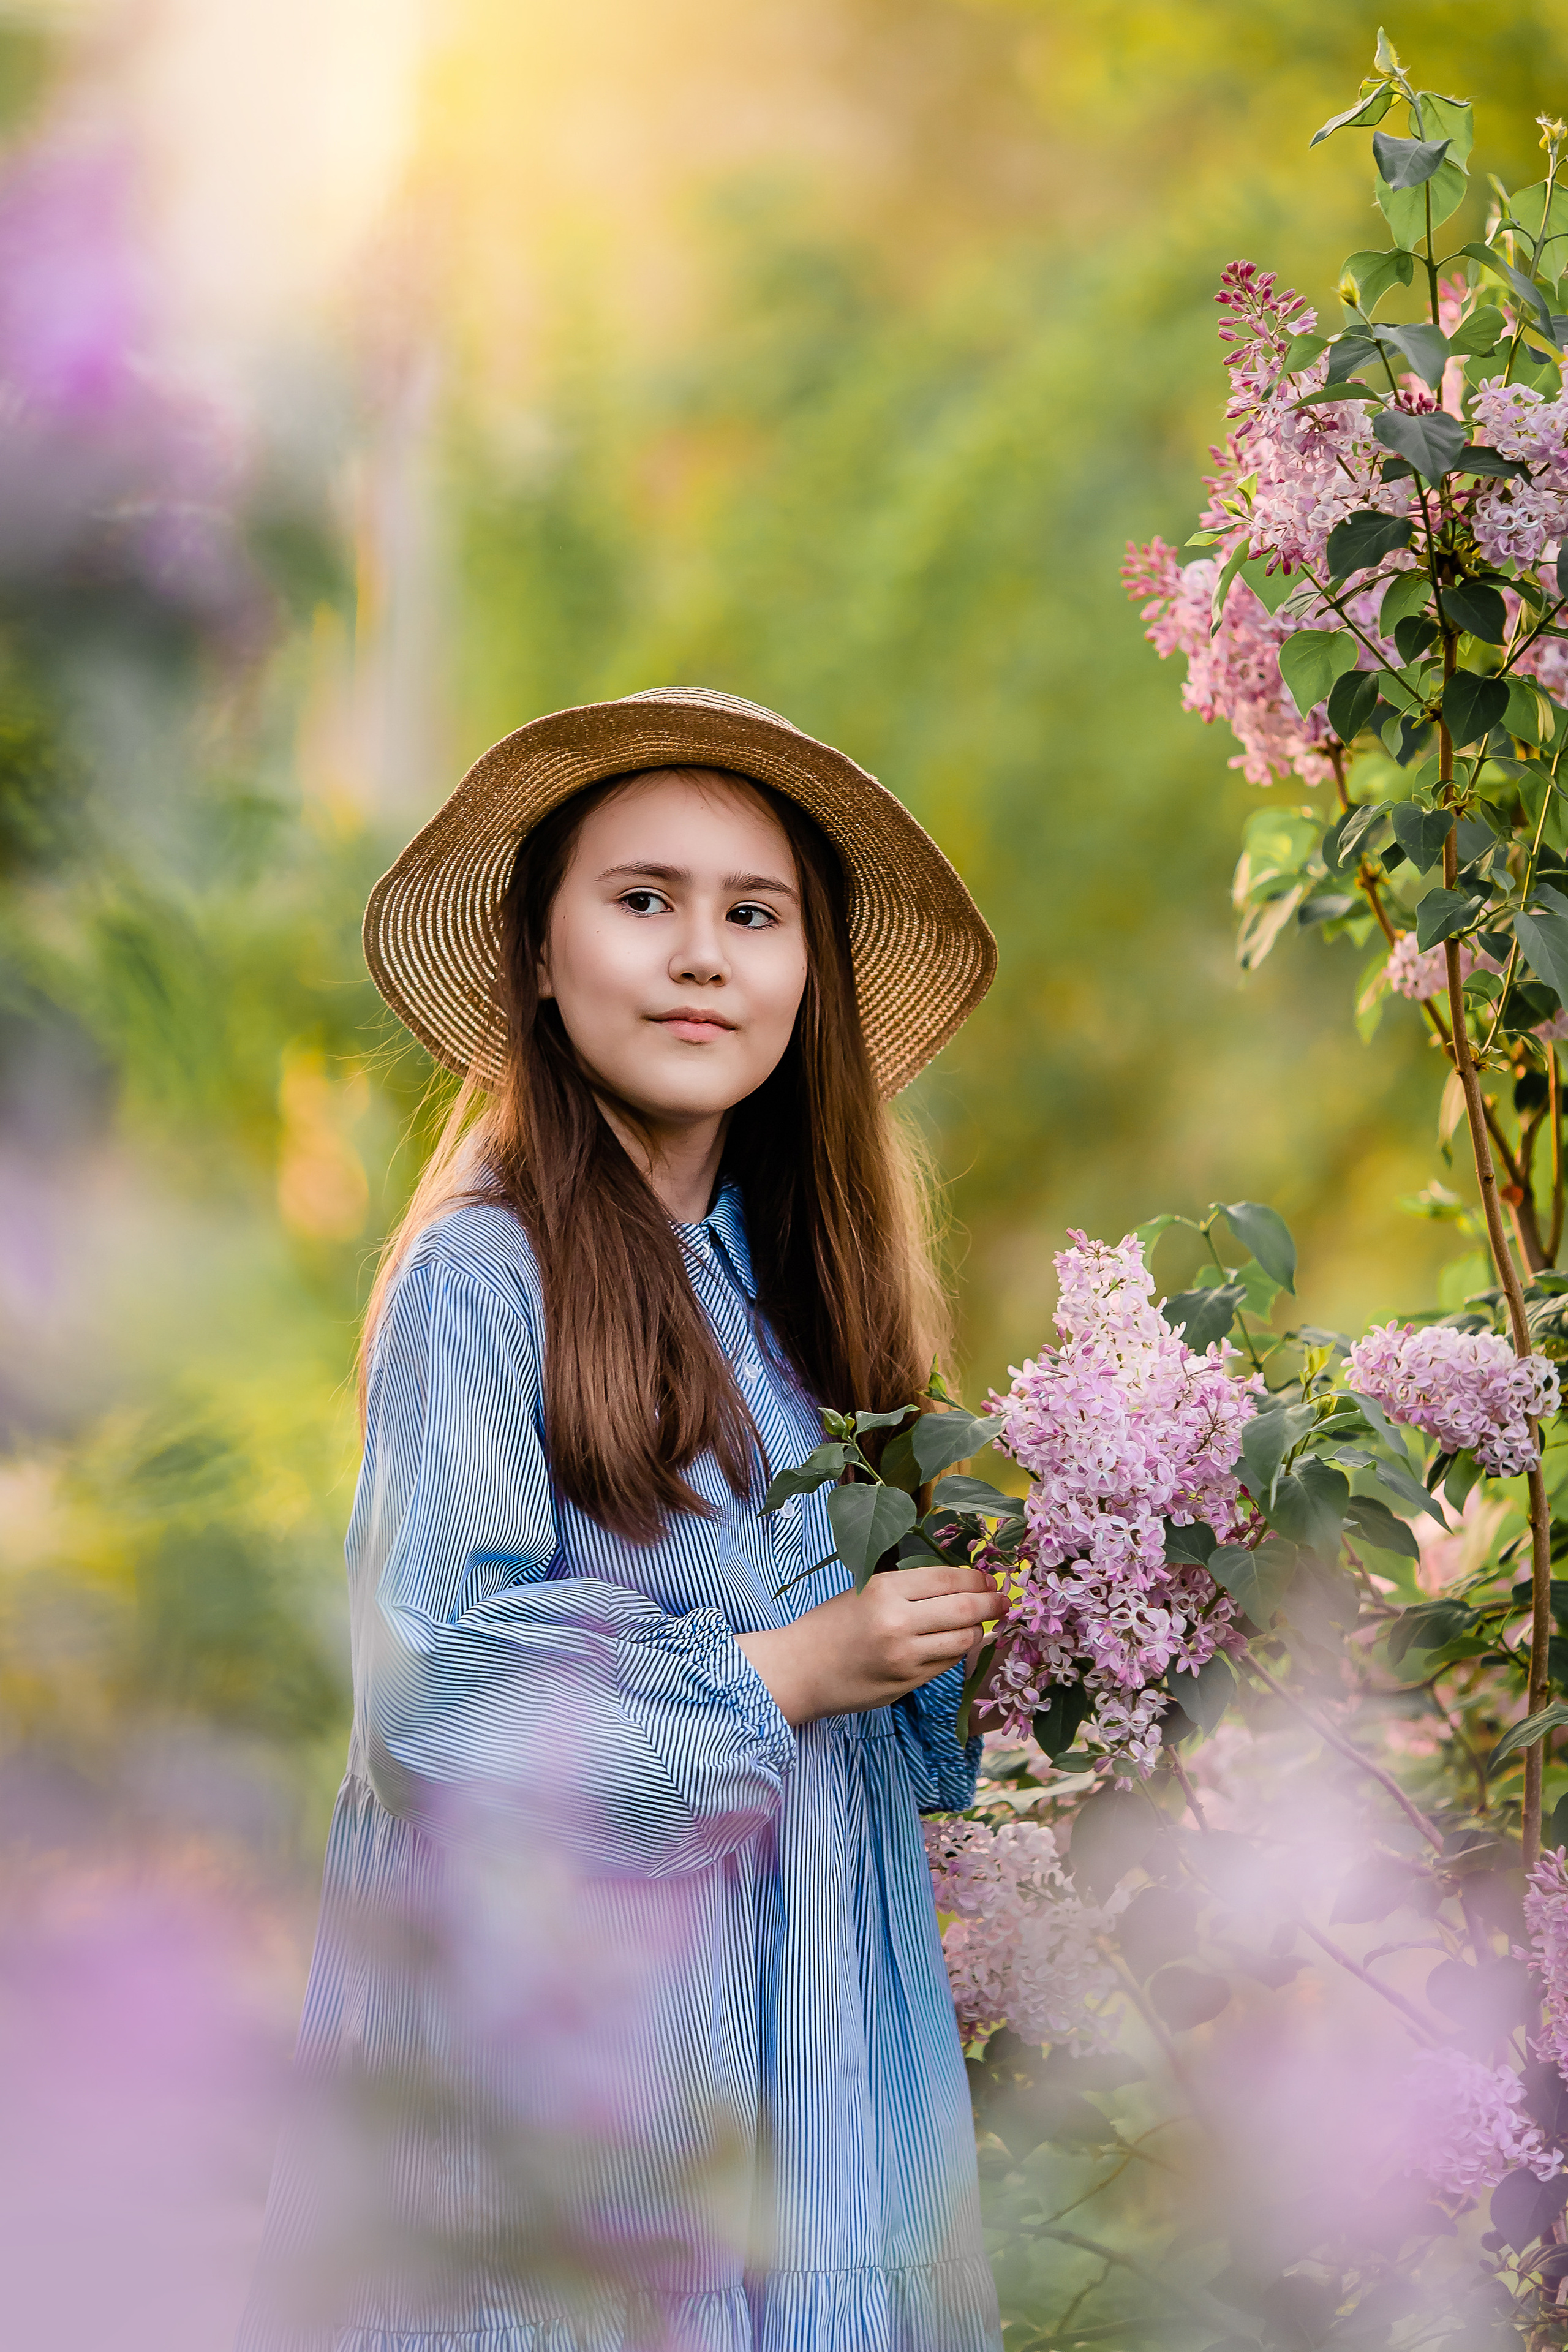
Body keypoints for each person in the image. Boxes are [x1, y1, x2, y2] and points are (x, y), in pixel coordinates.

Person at [237, 686, 1003, 2352]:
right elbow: (434, 1692)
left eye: (755, 915)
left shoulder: (814, 1303)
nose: (701, 955)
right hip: (593, 2078)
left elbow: (896, 1732)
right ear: (538, 953)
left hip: (819, 2070)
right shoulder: (485, 1278)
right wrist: (787, 1670)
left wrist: (998, 1598)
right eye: (643, 900)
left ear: (812, 977)